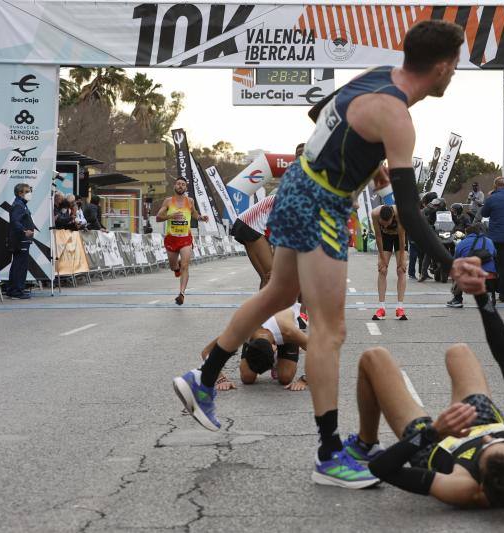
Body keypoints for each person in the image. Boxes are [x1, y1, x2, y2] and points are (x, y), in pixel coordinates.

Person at [171, 19, 487, 490]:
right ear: (440, 67)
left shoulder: (378, 74)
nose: (455, 74)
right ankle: (329, 455)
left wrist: (369, 160)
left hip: (297, 185)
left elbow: (320, 111)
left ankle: (204, 376)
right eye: (455, 66)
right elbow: (407, 209)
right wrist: (449, 263)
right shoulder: (399, 118)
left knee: (279, 292)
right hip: (321, 204)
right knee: (330, 331)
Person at [343, 292, 504, 508]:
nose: (486, 439)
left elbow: (380, 468)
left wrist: (433, 432)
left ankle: (365, 444)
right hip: (484, 420)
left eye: (485, 448)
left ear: (480, 485)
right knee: (459, 352)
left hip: (435, 445)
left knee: (374, 357)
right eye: (503, 441)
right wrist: (481, 296)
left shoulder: (462, 488)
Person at [199, 304, 309, 392]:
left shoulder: (289, 332)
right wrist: (220, 379)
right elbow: (206, 352)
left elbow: (319, 352)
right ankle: (276, 360)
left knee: (285, 378)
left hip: (284, 330)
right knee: (247, 378)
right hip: (260, 330)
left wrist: (305, 379)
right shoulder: (241, 330)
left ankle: (277, 360)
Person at [156, 178, 209, 305]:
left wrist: (201, 217)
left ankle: (181, 294)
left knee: (185, 266)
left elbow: (194, 214)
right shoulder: (168, 201)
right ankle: (176, 268)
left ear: (186, 188)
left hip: (185, 238)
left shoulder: (190, 201)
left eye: (183, 184)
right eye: (178, 184)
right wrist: (170, 216)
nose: (180, 186)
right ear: (175, 186)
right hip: (171, 238)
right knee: (173, 266)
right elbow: (158, 218)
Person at [231, 195, 276, 289]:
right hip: (251, 225)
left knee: (266, 278)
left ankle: (264, 303)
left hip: (247, 224)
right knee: (273, 277)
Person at [371, 204, 407, 321]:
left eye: (387, 223)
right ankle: (381, 308)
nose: (385, 225)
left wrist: (402, 258)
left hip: (399, 237)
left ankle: (400, 307)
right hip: (384, 237)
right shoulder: (375, 214)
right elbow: (378, 236)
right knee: (382, 270)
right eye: (383, 223)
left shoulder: (399, 214)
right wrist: (382, 258)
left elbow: (402, 238)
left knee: (401, 270)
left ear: (392, 217)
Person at [447, 223, 496, 308]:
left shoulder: (462, 243)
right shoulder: (489, 241)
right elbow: (495, 254)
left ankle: (457, 299)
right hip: (489, 274)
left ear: (467, 233)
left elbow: (456, 259)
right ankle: (490, 297)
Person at [7, 183, 36, 299]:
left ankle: (13, 289)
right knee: (20, 265)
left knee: (17, 265)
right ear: (20, 193)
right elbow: (15, 221)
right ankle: (17, 291)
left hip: (23, 240)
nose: (29, 194)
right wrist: (24, 231)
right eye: (27, 191)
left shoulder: (22, 204)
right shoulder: (19, 205)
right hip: (21, 240)